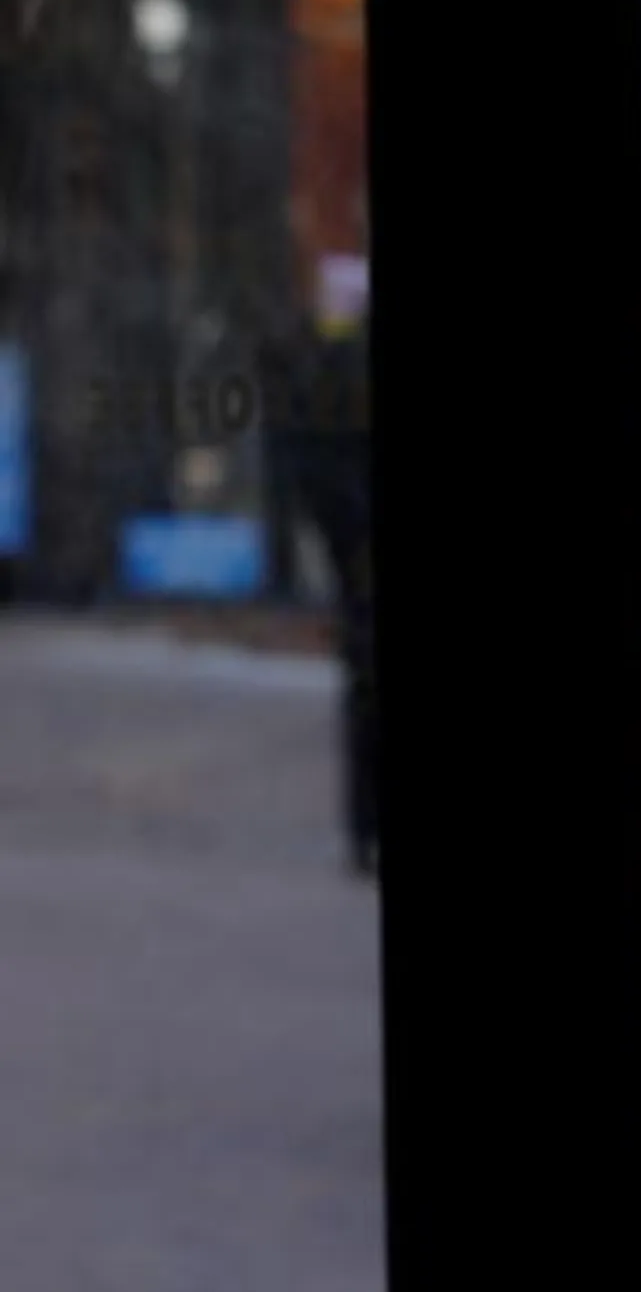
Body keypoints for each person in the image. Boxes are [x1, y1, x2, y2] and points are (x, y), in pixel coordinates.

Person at [276, 317, 377, 878]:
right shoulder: (338, 365)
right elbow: (315, 466)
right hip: (362, 564)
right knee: (367, 691)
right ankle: (366, 832)